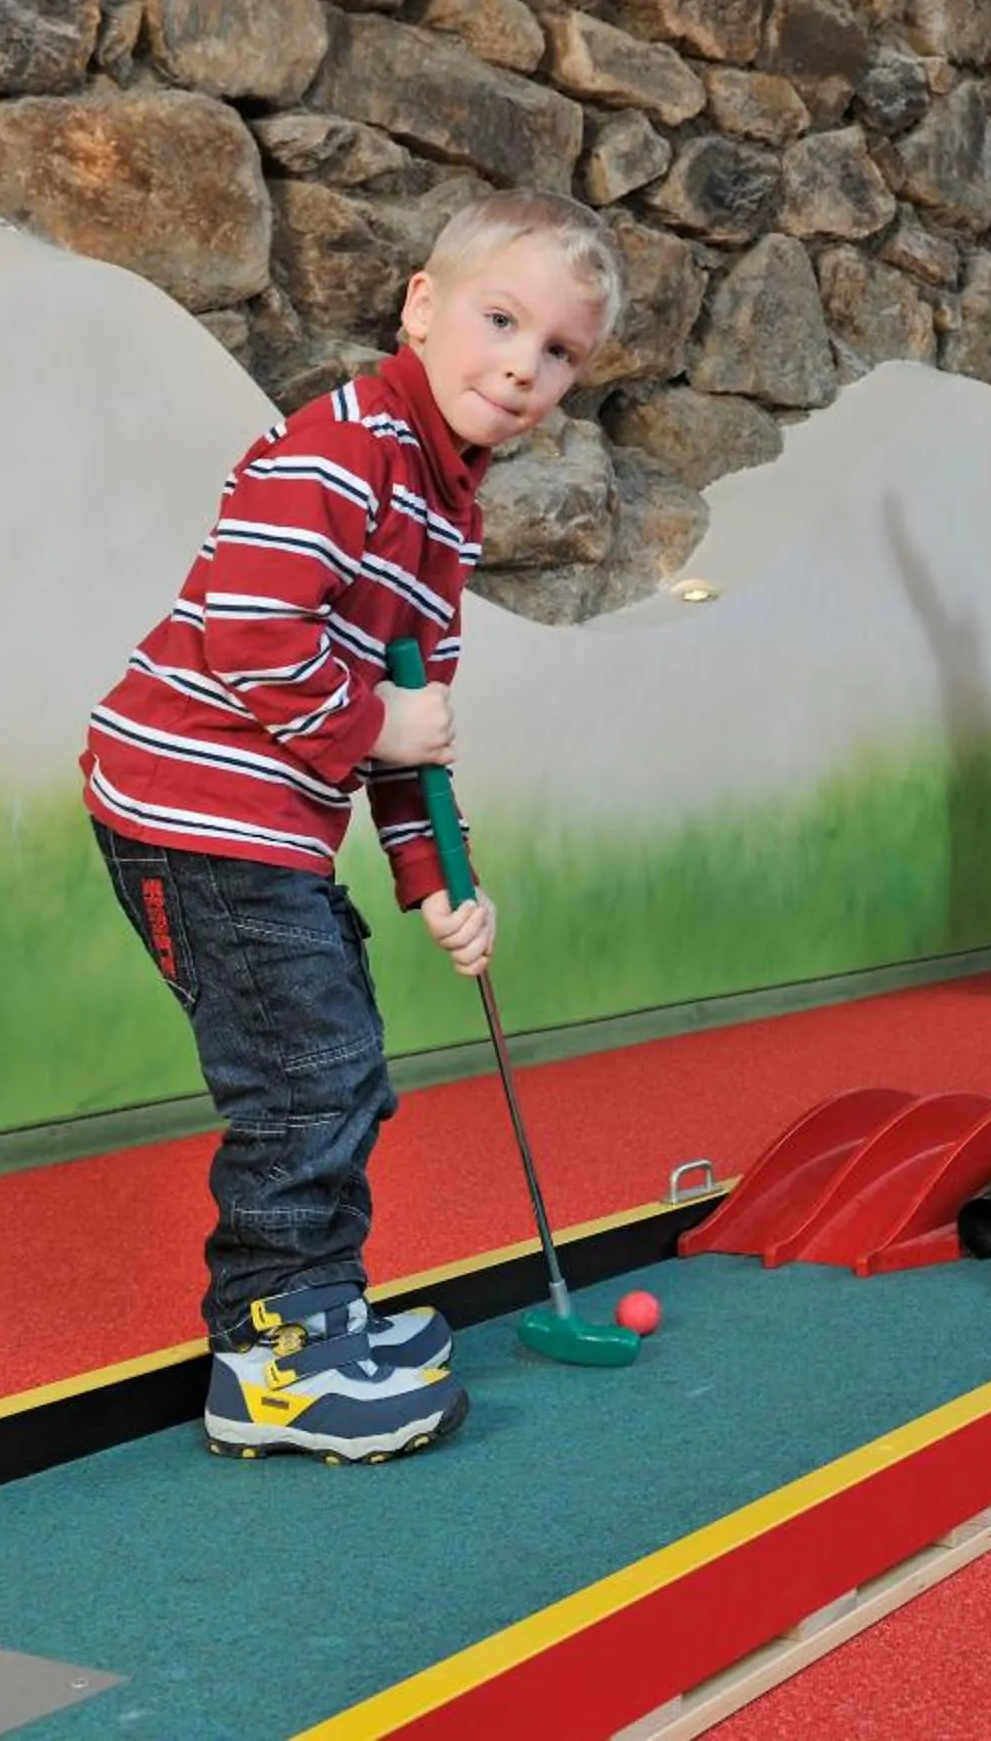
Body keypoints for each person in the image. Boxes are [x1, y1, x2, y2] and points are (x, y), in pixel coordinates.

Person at [81, 189, 623, 1461]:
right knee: (306, 1074)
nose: (524, 365)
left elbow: (413, 726)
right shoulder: (340, 448)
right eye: (501, 318)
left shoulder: (445, 511)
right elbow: (250, 635)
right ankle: (270, 1364)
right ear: (421, 310)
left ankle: (318, 1311)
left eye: (560, 353)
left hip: (264, 822)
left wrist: (439, 878)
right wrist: (381, 727)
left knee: (336, 1065)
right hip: (190, 806)